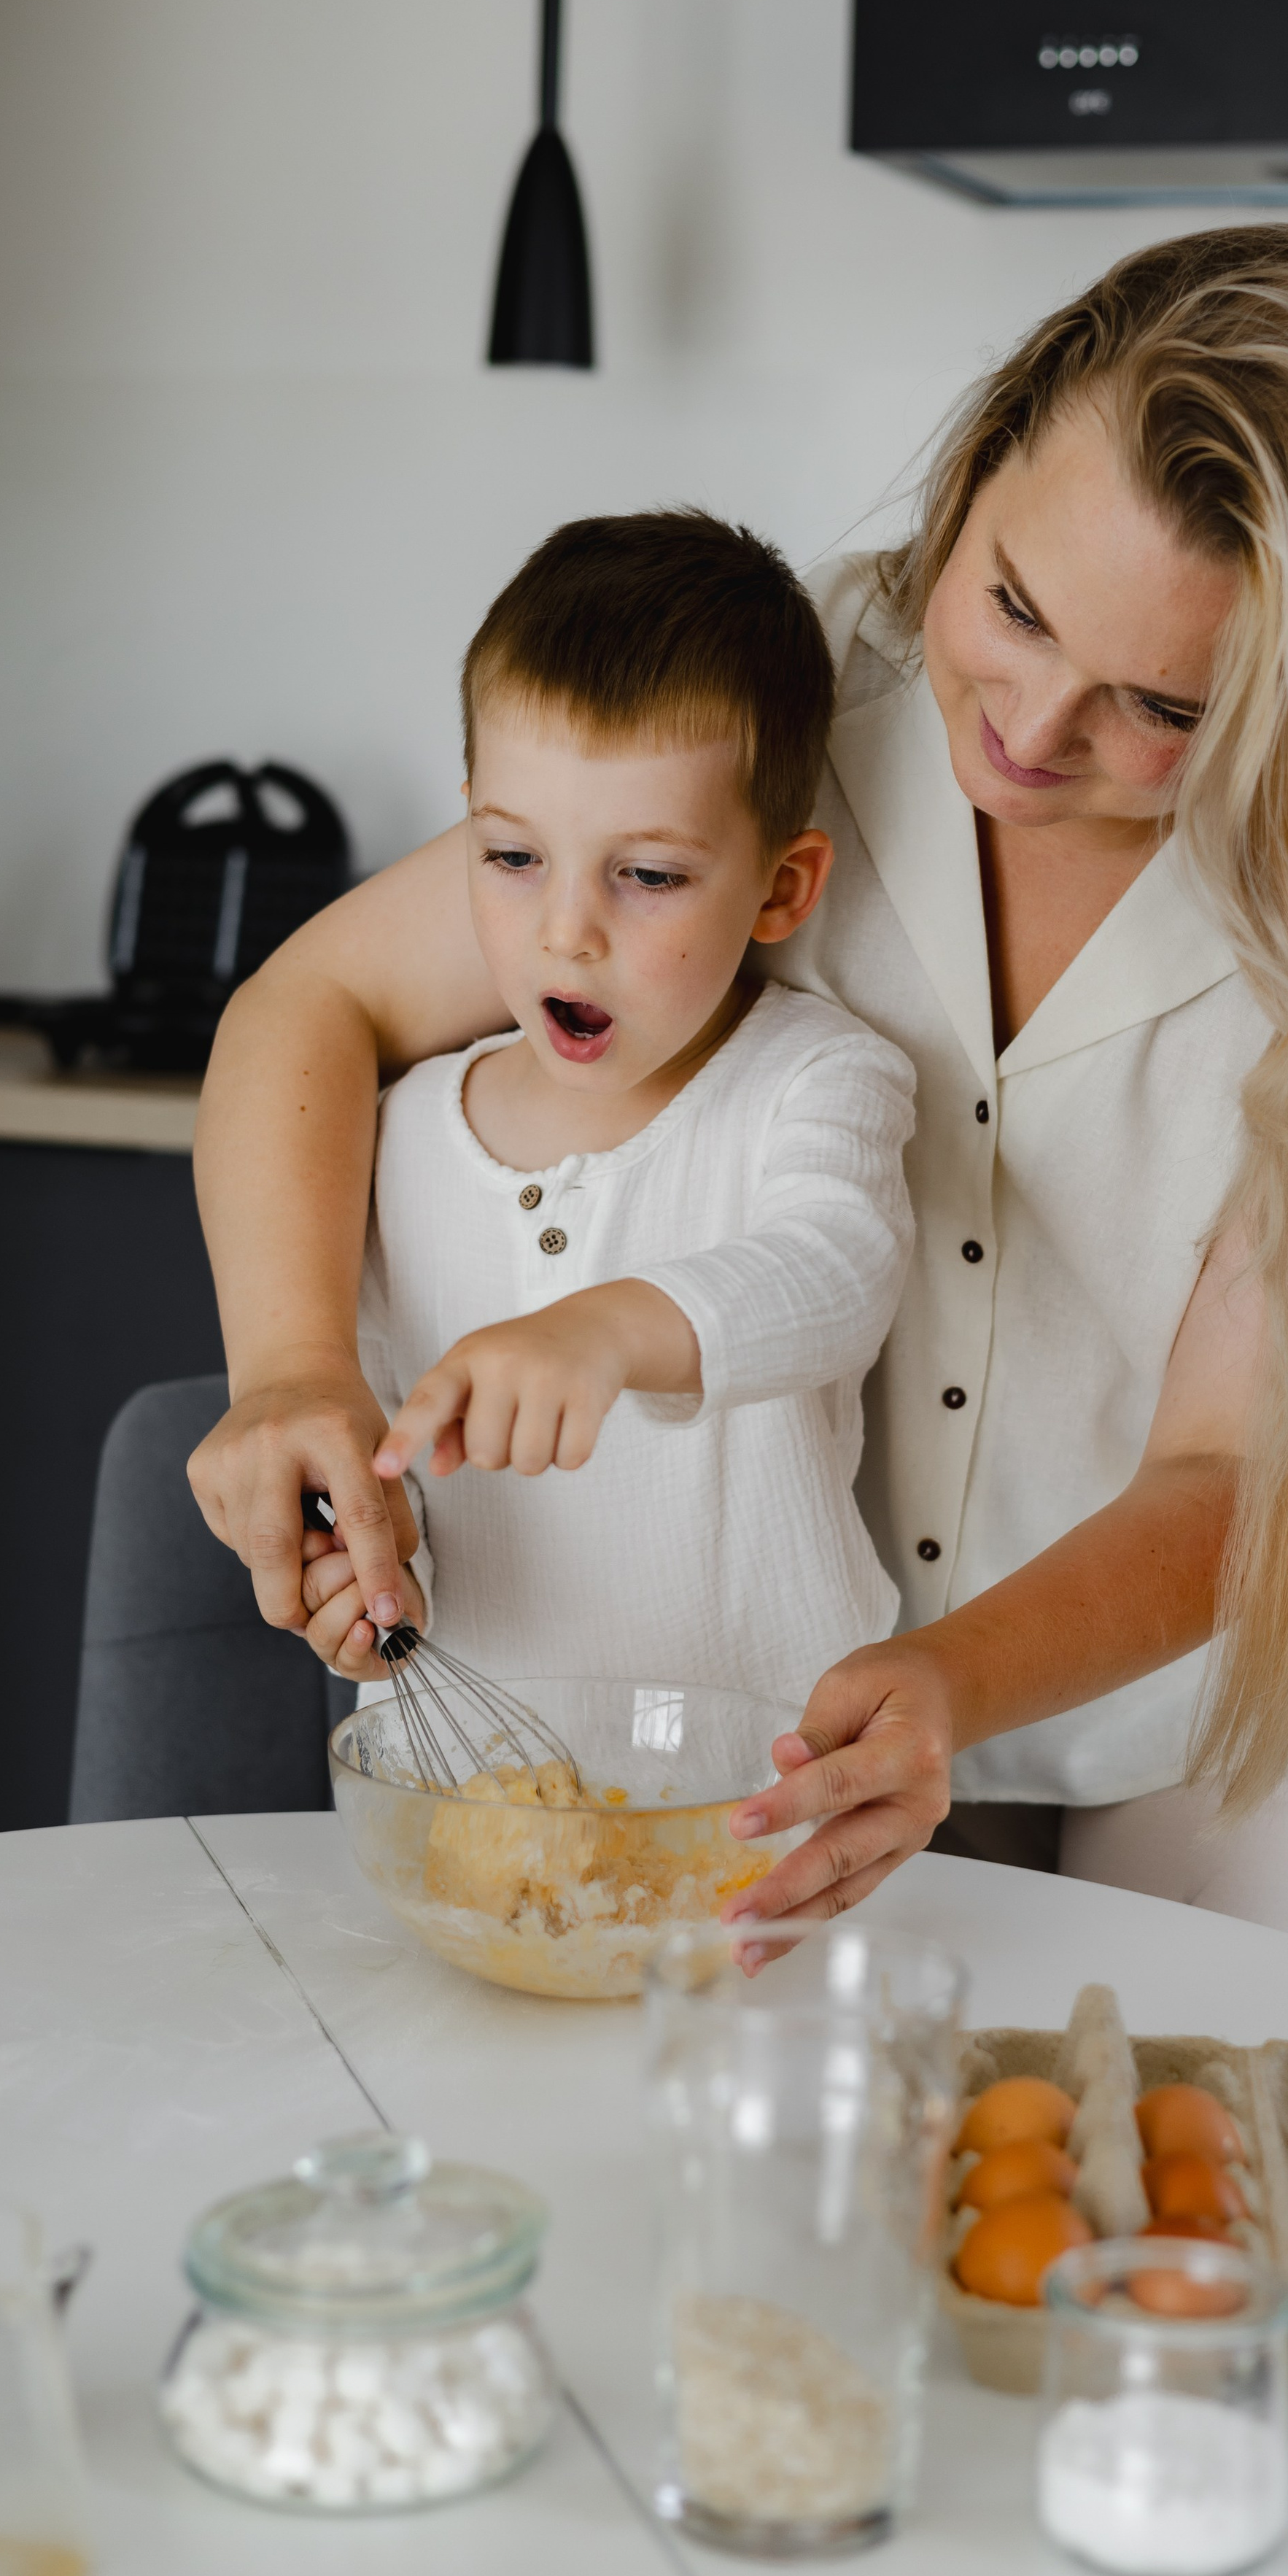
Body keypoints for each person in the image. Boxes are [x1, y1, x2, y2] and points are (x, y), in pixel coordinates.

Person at [188, 224, 1288, 1970]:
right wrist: (291, 1372)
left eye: (1159, 702)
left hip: (1239, 1715)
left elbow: (1234, 1467)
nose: (1024, 726)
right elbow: (310, 1002)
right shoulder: (805, 700)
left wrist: (953, 1680)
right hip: (825, 1678)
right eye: (1011, 604)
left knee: (1168, 2202)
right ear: (979, 465)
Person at [278, 509, 915, 1713]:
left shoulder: (816, 1082)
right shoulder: (400, 1133)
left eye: (651, 876)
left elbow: (838, 1272)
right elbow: (381, 1474)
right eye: (513, 857)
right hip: (468, 1830)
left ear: (782, 889)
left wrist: (611, 1327)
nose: (567, 931)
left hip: (762, 1821)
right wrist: (361, 1589)